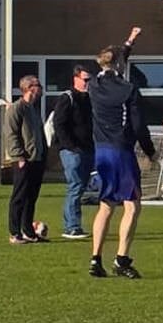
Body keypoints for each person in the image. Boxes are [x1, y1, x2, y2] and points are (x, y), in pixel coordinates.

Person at [87, 27, 154, 279]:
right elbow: (137, 125)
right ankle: (121, 259)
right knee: (132, 206)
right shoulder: (128, 89)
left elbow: (116, 57)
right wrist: (149, 150)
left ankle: (95, 259)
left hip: (101, 152)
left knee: (105, 205)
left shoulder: (94, 84)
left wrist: (129, 41)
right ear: (119, 65)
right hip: (122, 152)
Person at [50, 65, 94, 239]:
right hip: (71, 151)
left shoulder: (89, 99)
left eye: (90, 80)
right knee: (75, 187)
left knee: (81, 187)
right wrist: (70, 146)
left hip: (88, 149)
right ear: (75, 79)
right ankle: (72, 226)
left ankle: (74, 224)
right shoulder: (67, 98)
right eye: (85, 80)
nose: (88, 83)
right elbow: (59, 124)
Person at [3, 76, 48, 245]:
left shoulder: (33, 109)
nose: (41, 89)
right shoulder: (16, 108)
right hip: (24, 159)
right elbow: (11, 134)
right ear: (29, 88)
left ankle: (28, 231)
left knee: (31, 197)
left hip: (37, 159)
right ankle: (15, 232)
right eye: (38, 85)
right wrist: (19, 156)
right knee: (19, 196)